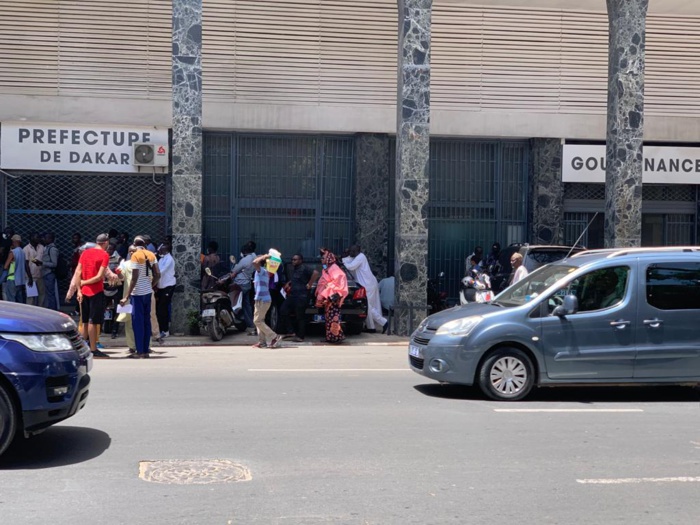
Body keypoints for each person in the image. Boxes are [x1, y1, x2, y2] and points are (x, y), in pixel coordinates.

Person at [119, 236, 160, 358]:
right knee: (146, 322)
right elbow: (158, 274)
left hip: (137, 294)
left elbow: (134, 278)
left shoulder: (135, 256)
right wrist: (151, 285)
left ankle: (140, 351)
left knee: (137, 323)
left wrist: (126, 296)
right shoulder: (151, 254)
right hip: (147, 292)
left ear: (135, 245)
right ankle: (146, 350)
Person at [74, 234, 111, 359]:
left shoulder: (85, 253)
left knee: (84, 321)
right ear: (105, 243)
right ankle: (93, 349)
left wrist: (79, 289)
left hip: (83, 292)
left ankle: (80, 349)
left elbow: (78, 272)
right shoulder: (105, 255)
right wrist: (84, 282)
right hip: (96, 291)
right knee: (92, 321)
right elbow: (100, 276)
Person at [342, 245, 388, 334]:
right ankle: (371, 327)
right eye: (350, 251)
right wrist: (344, 257)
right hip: (366, 285)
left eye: (352, 251)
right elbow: (348, 260)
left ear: (357, 251)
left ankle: (384, 322)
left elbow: (350, 266)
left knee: (368, 307)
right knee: (368, 306)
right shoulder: (356, 257)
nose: (350, 253)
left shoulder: (360, 257)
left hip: (368, 285)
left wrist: (342, 261)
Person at [279, 254, 318, 342]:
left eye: (295, 260)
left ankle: (301, 336)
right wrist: (289, 283)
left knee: (300, 316)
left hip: (302, 296)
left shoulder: (304, 268)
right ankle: (291, 332)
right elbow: (296, 279)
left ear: (300, 260)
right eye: (292, 259)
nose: (293, 261)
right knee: (283, 310)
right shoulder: (295, 269)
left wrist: (310, 284)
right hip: (293, 295)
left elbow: (315, 273)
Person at [316, 249, 349, 344]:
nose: (321, 260)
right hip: (328, 297)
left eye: (323, 258)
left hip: (333, 297)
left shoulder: (334, 268)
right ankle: (331, 337)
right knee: (329, 318)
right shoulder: (327, 268)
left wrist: (328, 287)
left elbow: (339, 282)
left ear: (328, 259)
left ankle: (336, 337)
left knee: (333, 318)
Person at [251, 252, 282, 349]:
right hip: (261, 299)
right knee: (260, 320)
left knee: (257, 321)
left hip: (263, 300)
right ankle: (262, 342)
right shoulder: (264, 271)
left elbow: (254, 262)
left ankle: (275, 337)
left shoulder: (261, 271)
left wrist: (264, 256)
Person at [228, 241, 257, 335]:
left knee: (234, 303)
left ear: (244, 252)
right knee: (246, 305)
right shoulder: (254, 257)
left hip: (240, 285)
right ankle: (250, 325)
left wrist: (232, 273)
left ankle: (236, 319)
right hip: (248, 284)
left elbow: (234, 271)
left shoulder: (244, 260)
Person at [2, 234, 32, 303]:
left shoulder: (13, 252)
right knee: (19, 301)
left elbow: (5, 266)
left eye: (12, 241)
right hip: (20, 280)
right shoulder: (22, 252)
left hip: (12, 279)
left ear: (15, 241)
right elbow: (25, 265)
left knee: (11, 300)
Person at [156, 242, 176, 338]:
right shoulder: (161, 259)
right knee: (159, 309)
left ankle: (165, 330)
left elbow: (161, 272)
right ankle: (161, 329)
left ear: (166, 250)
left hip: (168, 285)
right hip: (161, 286)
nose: (160, 250)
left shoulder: (169, 259)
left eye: (162, 249)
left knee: (162, 309)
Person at [24, 232, 45, 307]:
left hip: (40, 275)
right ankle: (29, 313)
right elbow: (26, 264)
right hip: (31, 276)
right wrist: (30, 278)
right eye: (36, 237)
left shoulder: (41, 247)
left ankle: (40, 310)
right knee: (30, 296)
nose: (38, 239)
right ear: (31, 238)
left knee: (42, 294)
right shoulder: (26, 249)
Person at [41, 232, 60, 310]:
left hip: (49, 273)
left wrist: (42, 263)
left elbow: (54, 263)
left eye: (46, 238)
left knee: (51, 293)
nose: (44, 239)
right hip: (46, 273)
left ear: (50, 239)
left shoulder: (52, 249)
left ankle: (53, 309)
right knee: (48, 293)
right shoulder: (47, 248)